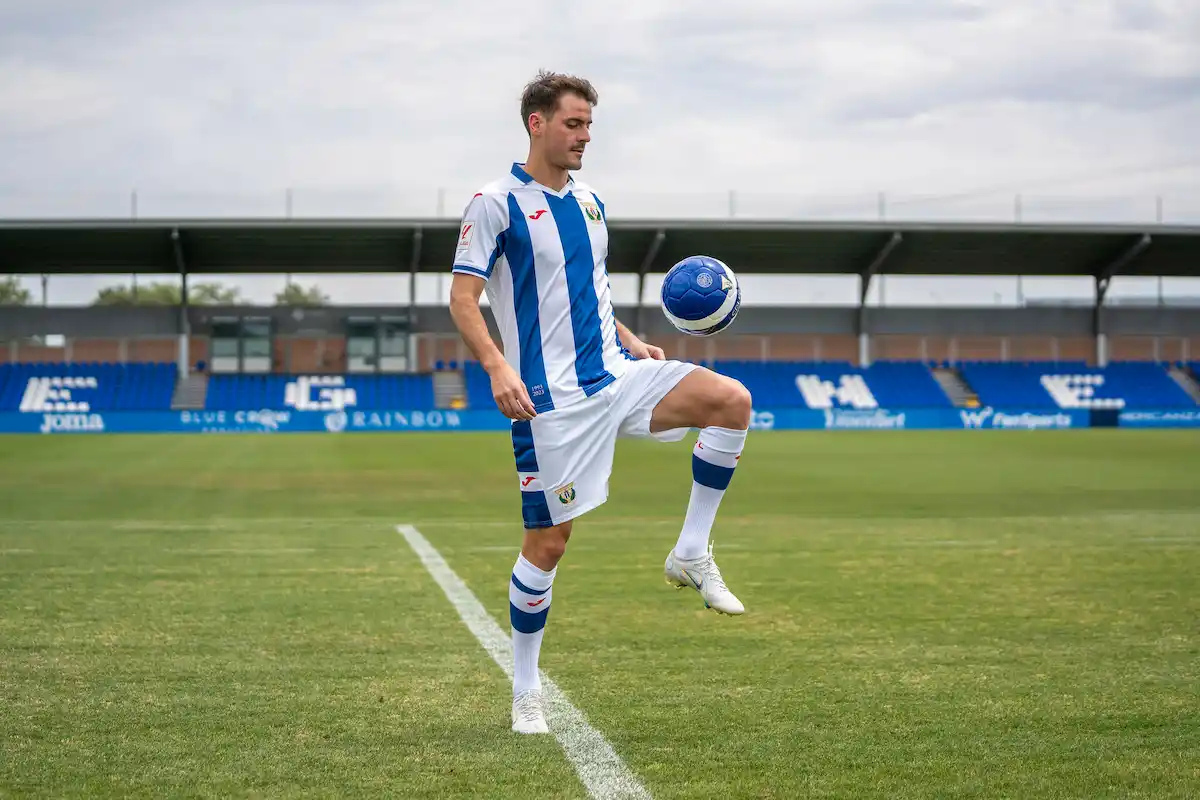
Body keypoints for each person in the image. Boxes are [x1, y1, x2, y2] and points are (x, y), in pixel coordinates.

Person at [448, 70, 752, 735]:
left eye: (589, 125)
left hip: (616, 375)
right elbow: (462, 299)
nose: (586, 136)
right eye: (574, 124)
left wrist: (631, 338)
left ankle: (691, 553)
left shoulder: (589, 201)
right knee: (549, 545)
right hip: (550, 403)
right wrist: (498, 366)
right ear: (537, 123)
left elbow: (587, 289)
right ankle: (525, 689)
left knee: (731, 401)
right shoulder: (494, 203)